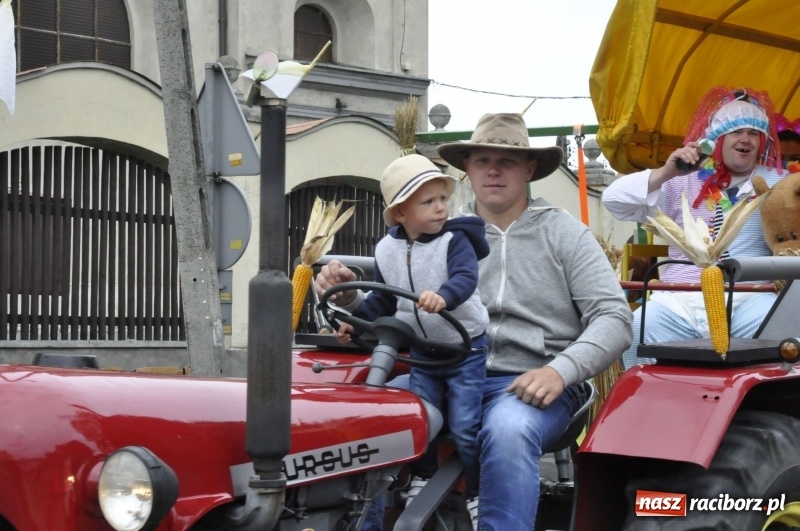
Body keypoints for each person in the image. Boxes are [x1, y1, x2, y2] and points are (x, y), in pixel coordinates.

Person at [316, 113, 633, 531]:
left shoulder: (565, 234)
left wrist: (561, 371)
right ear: (468, 168)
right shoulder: (432, 234)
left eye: (508, 160)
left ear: (530, 168)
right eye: (483, 160)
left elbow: (614, 317)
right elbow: (393, 304)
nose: (494, 170)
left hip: (530, 380)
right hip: (440, 371)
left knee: (507, 428)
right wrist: (352, 296)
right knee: (364, 414)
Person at [336, 154, 490, 526]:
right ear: (400, 214)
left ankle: (476, 491)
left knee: (468, 426)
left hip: (463, 347)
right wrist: (355, 325)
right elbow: (384, 299)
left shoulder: (455, 240)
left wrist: (445, 296)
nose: (441, 208)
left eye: (443, 199)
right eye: (429, 202)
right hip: (423, 350)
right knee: (418, 418)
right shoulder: (387, 250)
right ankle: (420, 475)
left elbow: (465, 279)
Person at [603, 86, 785, 369]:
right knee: (636, 328)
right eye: (736, 131)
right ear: (717, 139)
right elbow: (614, 201)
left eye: (754, 133)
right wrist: (666, 172)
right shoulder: (680, 180)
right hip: (679, 301)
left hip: (751, 298)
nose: (745, 139)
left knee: (787, 333)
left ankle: (761, 411)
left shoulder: (779, 183)